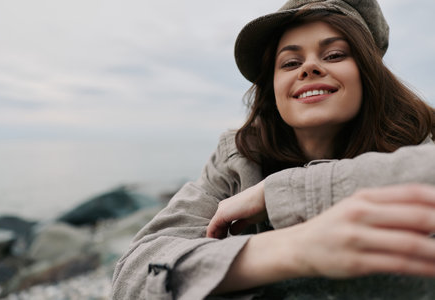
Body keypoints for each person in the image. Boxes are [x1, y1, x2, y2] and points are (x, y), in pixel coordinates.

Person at [112, 0, 435, 299]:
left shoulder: (415, 140)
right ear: (273, 88)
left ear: (368, 73)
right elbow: (135, 273)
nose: (308, 68)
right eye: (290, 62)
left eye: (334, 54)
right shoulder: (239, 157)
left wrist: (281, 193)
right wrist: (292, 249)